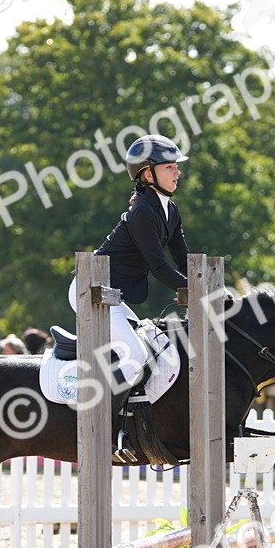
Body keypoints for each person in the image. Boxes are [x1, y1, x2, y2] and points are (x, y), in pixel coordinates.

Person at [73, 133, 190, 395]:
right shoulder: (143, 212)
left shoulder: (170, 210)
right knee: (135, 354)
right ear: (149, 175)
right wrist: (198, 289)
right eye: (169, 167)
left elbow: (183, 259)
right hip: (91, 291)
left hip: (112, 295)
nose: (177, 172)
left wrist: (209, 284)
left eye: (176, 166)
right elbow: (159, 267)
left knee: (152, 347)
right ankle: (105, 415)